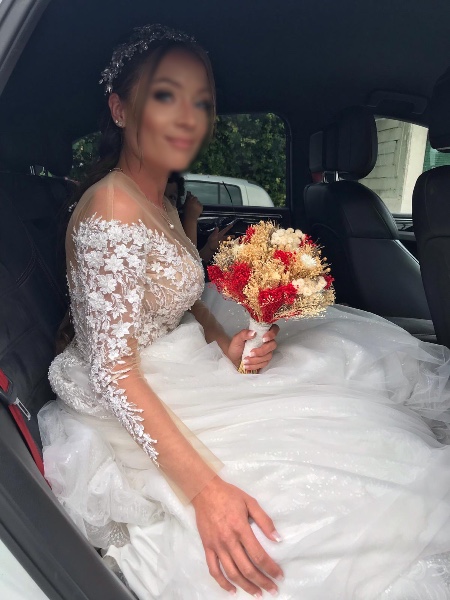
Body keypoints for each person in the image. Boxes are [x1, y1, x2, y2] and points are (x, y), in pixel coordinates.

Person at [38, 24, 450, 600]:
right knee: (329, 500)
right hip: (132, 391)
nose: (188, 118)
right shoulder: (111, 209)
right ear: (120, 109)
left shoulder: (158, 196)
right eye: (165, 95)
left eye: (201, 102)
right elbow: (113, 371)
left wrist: (224, 342)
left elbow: (183, 301)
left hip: (178, 362)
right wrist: (207, 493)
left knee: (358, 417)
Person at [165, 172, 235, 263]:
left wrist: (209, 248)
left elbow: (193, 265)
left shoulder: (175, 224)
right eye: (162, 195)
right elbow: (189, 262)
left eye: (171, 197)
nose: (165, 202)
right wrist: (190, 218)